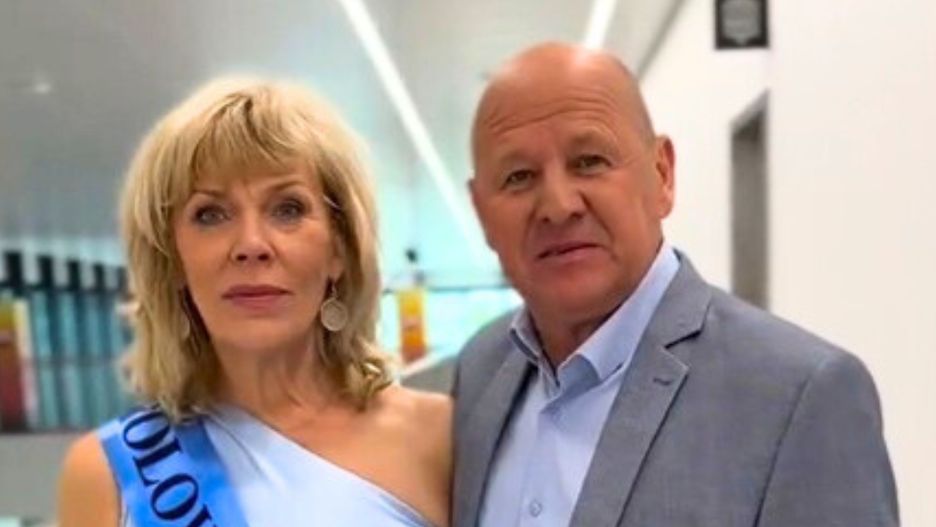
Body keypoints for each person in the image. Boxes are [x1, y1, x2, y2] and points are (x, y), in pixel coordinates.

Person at [453, 42, 898, 526]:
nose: (559, 206)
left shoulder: (802, 397)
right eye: (519, 176)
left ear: (662, 175)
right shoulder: (479, 371)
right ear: (481, 212)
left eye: (589, 161)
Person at [57, 78, 451, 527]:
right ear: (173, 260)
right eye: (210, 214)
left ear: (339, 250)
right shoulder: (107, 475)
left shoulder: (438, 439)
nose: (251, 245)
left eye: (288, 209)